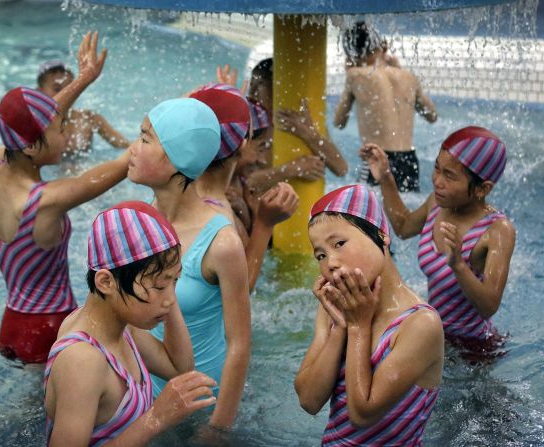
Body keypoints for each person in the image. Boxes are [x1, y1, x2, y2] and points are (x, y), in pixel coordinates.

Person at [0, 31, 132, 364]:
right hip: (50, 327)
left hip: (14, 322)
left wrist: (84, 80)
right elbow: (124, 163)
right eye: (60, 130)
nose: (67, 134)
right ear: (33, 147)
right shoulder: (47, 200)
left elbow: (33, 125)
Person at [43, 202, 218, 446]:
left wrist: (165, 291)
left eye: (175, 281)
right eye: (158, 286)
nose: (170, 298)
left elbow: (178, 369)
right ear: (106, 282)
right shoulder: (83, 360)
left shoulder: (123, 326)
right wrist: (155, 419)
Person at [125, 97, 250, 431]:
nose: (131, 147)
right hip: (138, 399)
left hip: (198, 408)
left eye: (145, 138)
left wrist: (218, 428)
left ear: (178, 160)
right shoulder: (137, 221)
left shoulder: (221, 242)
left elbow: (239, 343)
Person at [295, 184, 444, 445]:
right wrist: (339, 328)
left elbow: (363, 413)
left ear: (381, 235)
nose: (330, 262)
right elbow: (309, 400)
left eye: (339, 243)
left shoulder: (420, 324)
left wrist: (358, 326)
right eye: (320, 254)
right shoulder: (334, 306)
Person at [360, 126, 515, 358]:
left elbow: (489, 306)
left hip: (473, 350)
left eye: (450, 176)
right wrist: (385, 177)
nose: (437, 181)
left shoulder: (497, 230)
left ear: (482, 188)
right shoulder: (437, 203)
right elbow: (402, 227)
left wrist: (459, 265)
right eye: (437, 168)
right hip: (436, 337)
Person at [189, 83, 299, 292]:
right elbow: (242, 285)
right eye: (260, 147)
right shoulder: (222, 215)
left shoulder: (182, 185)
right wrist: (264, 224)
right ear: (242, 144)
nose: (261, 158)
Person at [217, 59, 347, 197]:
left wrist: (308, 133)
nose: (252, 93)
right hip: (260, 210)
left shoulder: (303, 120)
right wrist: (291, 169)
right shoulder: (248, 125)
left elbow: (341, 168)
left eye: (258, 86)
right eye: (252, 86)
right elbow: (240, 183)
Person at [335, 21, 438, 192]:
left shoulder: (356, 75)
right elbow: (432, 116)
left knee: (363, 213)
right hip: (409, 160)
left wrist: (349, 74)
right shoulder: (407, 76)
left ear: (351, 54)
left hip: (377, 160)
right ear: (383, 47)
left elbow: (339, 122)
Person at [38, 59, 131, 153]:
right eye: (57, 89)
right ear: (39, 91)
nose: (65, 93)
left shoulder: (89, 118)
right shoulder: (38, 123)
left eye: (69, 88)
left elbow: (126, 147)